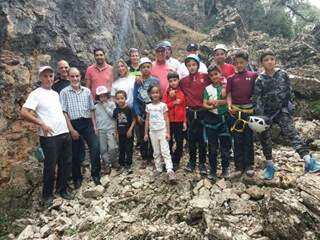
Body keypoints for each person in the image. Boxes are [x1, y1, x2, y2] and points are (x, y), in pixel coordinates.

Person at [253, 49, 320, 180]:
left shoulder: (283, 74)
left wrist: (291, 108)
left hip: (282, 111)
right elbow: (257, 99)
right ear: (262, 63)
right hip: (266, 115)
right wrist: (260, 116)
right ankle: (270, 166)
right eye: (266, 60)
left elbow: (290, 92)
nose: (269, 62)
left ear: (275, 60)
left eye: (271, 59)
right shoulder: (260, 79)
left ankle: (308, 161)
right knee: (265, 139)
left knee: (292, 134)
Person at [20, 66, 72, 206]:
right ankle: (47, 196)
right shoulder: (36, 94)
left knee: (65, 163)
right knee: (50, 166)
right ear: (40, 78)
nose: (49, 78)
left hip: (64, 132)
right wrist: (41, 124)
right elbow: (24, 112)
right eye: (45, 76)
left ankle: (62, 190)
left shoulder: (55, 93)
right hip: (49, 136)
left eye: (50, 76)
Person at [60, 67, 101, 187]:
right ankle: (77, 178)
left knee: (95, 148)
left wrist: (94, 126)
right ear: (68, 77)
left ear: (80, 77)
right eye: (72, 76)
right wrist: (71, 130)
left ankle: (96, 174)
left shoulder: (87, 91)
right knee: (75, 153)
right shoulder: (64, 92)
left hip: (87, 123)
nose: (75, 78)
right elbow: (64, 112)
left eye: (77, 76)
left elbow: (92, 109)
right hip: (74, 124)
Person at [227, 51, 258, 177]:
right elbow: (228, 94)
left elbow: (257, 92)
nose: (239, 65)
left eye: (242, 63)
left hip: (249, 111)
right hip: (235, 112)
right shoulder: (231, 78)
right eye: (237, 63)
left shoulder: (253, 75)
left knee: (248, 138)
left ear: (246, 62)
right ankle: (238, 166)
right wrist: (229, 106)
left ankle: (249, 164)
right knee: (237, 139)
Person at [180, 54, 211, 174]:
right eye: (189, 65)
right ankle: (192, 161)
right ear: (186, 67)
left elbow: (216, 82)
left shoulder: (205, 77)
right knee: (191, 139)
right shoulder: (183, 81)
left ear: (198, 65)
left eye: (194, 65)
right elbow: (177, 90)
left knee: (202, 139)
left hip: (203, 111)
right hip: (190, 112)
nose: (191, 67)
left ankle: (202, 163)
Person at [203, 65, 231, 181]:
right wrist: (208, 106)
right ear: (209, 77)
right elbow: (204, 103)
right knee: (212, 147)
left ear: (221, 74)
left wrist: (216, 102)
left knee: (225, 146)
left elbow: (228, 100)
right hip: (211, 119)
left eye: (216, 74)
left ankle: (225, 169)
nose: (214, 77)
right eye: (212, 75)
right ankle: (213, 170)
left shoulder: (226, 87)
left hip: (224, 119)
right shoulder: (207, 89)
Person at [144, 85, 176, 182]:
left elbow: (167, 119)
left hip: (162, 131)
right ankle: (158, 168)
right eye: (153, 93)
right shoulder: (148, 106)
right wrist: (145, 133)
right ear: (149, 94)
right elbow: (147, 120)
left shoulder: (163, 105)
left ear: (160, 93)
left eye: (157, 92)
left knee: (165, 150)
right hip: (152, 131)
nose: (155, 94)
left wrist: (168, 133)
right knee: (156, 151)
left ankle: (170, 170)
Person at [133, 57, 160, 169]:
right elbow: (135, 99)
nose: (146, 69)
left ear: (151, 67)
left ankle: (153, 157)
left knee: (153, 134)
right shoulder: (138, 82)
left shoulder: (156, 81)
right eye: (143, 67)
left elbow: (159, 96)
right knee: (143, 136)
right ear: (140, 69)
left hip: (153, 109)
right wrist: (137, 114)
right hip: (142, 109)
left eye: (148, 66)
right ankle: (144, 157)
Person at [163, 71, 187, 171]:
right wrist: (173, 101)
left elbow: (184, 107)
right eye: (171, 81)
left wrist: (185, 121)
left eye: (175, 80)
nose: (173, 83)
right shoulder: (167, 93)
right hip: (169, 121)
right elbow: (164, 106)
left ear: (178, 80)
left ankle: (176, 160)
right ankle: (169, 160)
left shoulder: (181, 93)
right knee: (168, 141)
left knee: (180, 141)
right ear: (168, 82)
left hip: (179, 121)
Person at [95, 86, 118, 175]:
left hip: (110, 128)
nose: (103, 98)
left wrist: (106, 106)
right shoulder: (96, 106)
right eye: (101, 96)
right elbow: (96, 118)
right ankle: (106, 164)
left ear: (107, 95)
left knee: (113, 147)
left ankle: (114, 161)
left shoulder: (111, 104)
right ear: (98, 97)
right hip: (101, 130)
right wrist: (96, 128)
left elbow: (113, 115)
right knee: (103, 148)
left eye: (104, 96)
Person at [113, 90, 136, 174]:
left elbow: (134, 120)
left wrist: (130, 130)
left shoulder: (129, 109)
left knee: (128, 148)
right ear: (115, 100)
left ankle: (128, 163)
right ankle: (121, 162)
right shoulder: (116, 110)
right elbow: (116, 121)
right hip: (120, 132)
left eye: (122, 98)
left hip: (128, 132)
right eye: (118, 99)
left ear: (125, 98)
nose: (120, 100)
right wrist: (116, 132)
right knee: (121, 148)